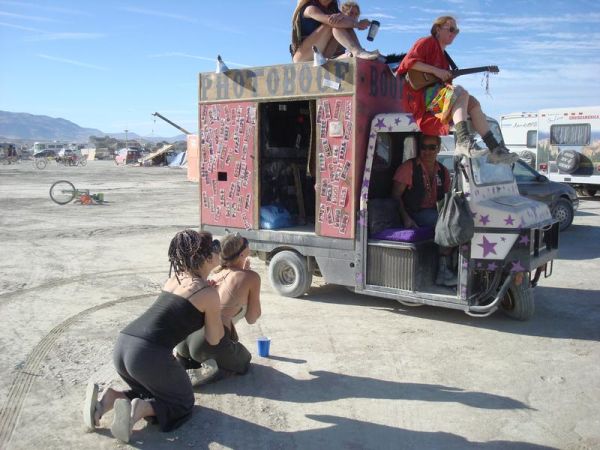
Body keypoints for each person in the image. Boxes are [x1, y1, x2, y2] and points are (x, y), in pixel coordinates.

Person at [82, 230, 225, 443]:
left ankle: (110, 399)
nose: (218, 250)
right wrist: (215, 306)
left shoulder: (174, 279)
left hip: (124, 344)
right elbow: (214, 338)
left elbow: (177, 311)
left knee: (157, 391)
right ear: (207, 258)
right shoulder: (209, 294)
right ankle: (139, 410)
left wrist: (208, 292)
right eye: (215, 246)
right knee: (182, 402)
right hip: (147, 354)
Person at [397, 16, 519, 165]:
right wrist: (436, 71)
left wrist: (444, 76)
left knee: (473, 103)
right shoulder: (427, 42)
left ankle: (495, 149)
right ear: (437, 29)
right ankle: (463, 141)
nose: (454, 33)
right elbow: (408, 63)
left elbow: (442, 85)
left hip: (434, 101)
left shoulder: (444, 56)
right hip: (422, 102)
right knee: (461, 92)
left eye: (456, 31)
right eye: (451, 29)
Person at [174, 233, 262, 383]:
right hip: (208, 341)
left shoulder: (215, 274)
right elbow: (252, 318)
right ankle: (213, 371)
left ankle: (184, 362)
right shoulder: (251, 277)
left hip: (185, 337)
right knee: (244, 360)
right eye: (246, 243)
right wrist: (251, 284)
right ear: (242, 254)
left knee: (203, 353)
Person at [391, 134, 457, 286]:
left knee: (458, 222)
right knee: (447, 225)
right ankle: (443, 272)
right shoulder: (408, 168)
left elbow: (446, 198)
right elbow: (395, 196)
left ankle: (452, 267)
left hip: (434, 212)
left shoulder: (443, 171)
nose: (427, 151)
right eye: (423, 147)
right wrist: (406, 218)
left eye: (432, 147)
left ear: (438, 149)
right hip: (413, 213)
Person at [290, 0, 380, 63]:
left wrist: (350, 19)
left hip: (323, 56)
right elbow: (330, 21)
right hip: (303, 56)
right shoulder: (310, 7)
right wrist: (358, 24)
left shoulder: (332, 9)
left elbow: (346, 21)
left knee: (344, 24)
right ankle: (357, 52)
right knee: (334, 23)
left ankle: (359, 50)